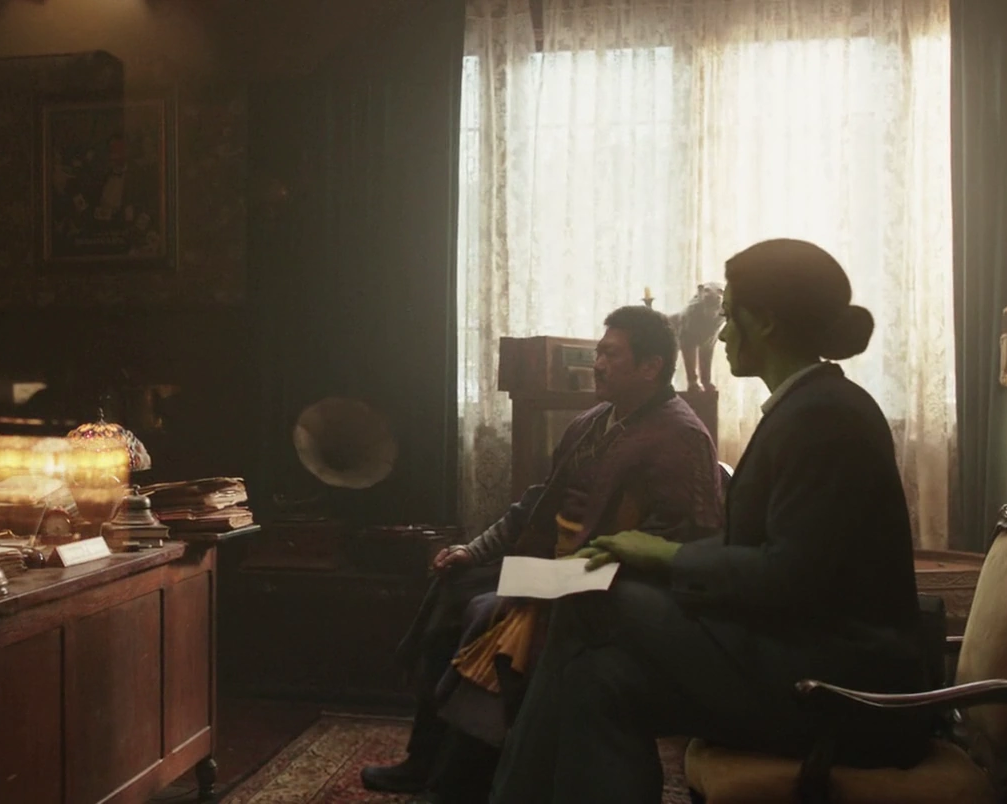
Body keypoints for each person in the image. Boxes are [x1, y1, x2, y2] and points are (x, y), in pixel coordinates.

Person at [489, 239, 931, 803]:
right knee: (598, 679)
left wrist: (666, 555)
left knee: (589, 600)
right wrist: (649, 555)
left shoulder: (824, 418)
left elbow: (789, 577)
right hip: (800, 656)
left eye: (729, 316)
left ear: (764, 323)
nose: (720, 336)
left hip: (841, 690)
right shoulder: (810, 406)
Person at [364, 305, 723, 801]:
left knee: (487, 613)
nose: (598, 364)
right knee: (454, 587)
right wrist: (474, 550)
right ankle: (422, 758)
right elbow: (537, 504)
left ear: (651, 367)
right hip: (551, 566)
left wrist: (585, 573)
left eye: (611, 355)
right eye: (598, 353)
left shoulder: (681, 435)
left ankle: (460, 784)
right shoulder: (593, 421)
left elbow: (688, 537)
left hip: (605, 586)